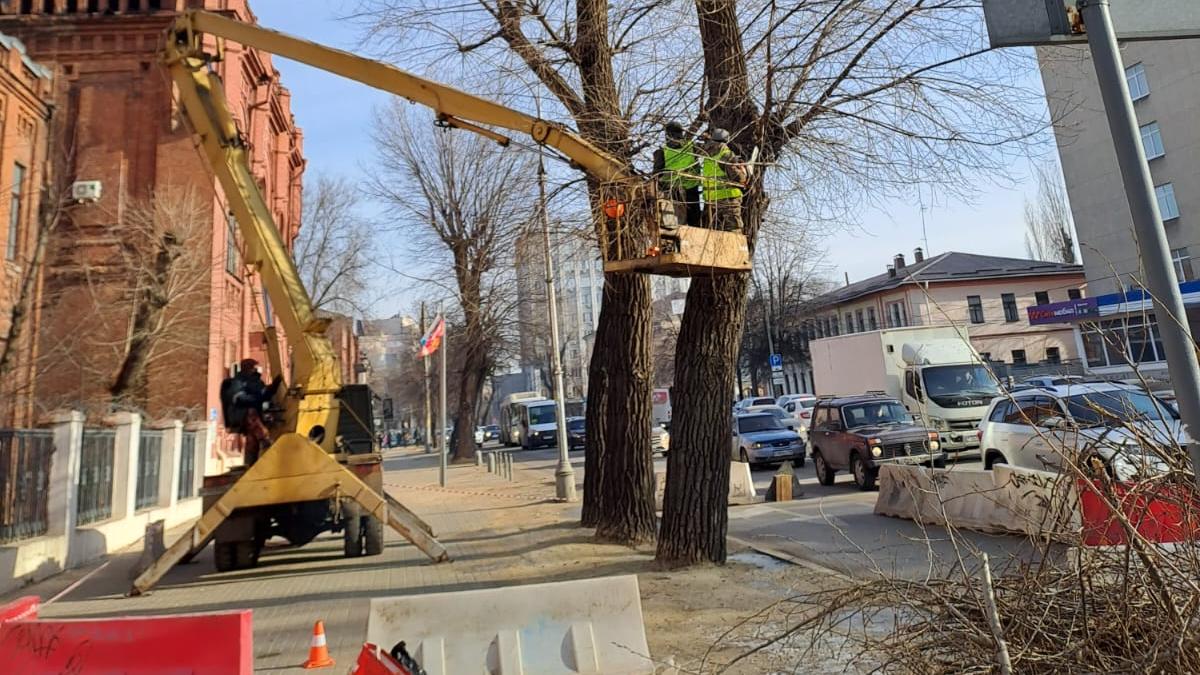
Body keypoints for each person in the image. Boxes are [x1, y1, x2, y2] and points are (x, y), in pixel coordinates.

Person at [221, 358, 283, 465]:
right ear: (248, 368)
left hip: (254, 415)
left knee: (252, 440)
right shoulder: (238, 381)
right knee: (252, 416)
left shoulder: (256, 381)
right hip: (243, 414)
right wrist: (256, 399)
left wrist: (273, 387)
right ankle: (264, 439)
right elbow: (240, 398)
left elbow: (264, 394)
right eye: (254, 367)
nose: (256, 369)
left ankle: (250, 464)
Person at [652, 121, 702, 228]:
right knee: (695, 222)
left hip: (673, 190)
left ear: (667, 134)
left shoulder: (663, 151)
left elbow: (656, 174)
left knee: (677, 222)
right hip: (691, 189)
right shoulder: (692, 147)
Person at [700, 127, 748, 232]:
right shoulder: (725, 154)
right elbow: (738, 177)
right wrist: (743, 171)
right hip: (728, 198)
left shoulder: (707, 155)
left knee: (715, 231)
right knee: (733, 231)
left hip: (711, 200)